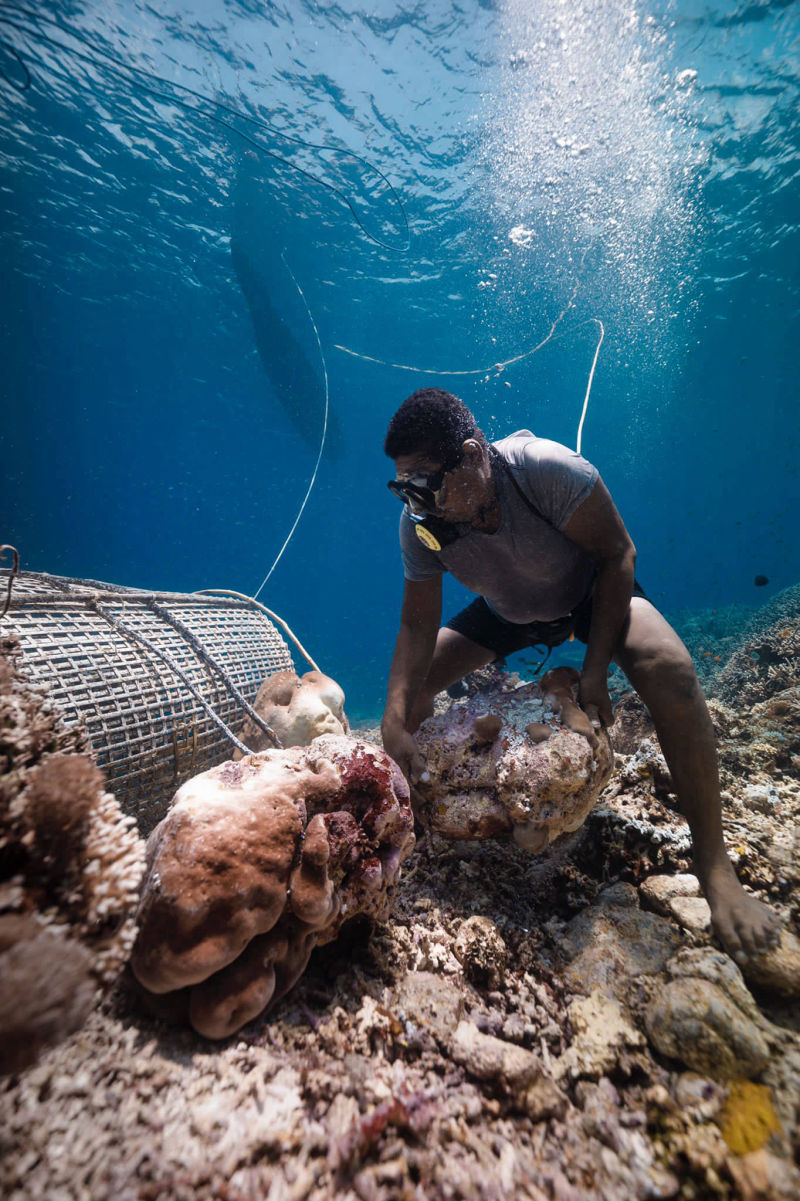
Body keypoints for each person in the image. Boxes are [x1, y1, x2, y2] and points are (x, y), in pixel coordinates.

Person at [380, 387, 780, 964]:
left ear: (471, 455)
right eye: (402, 488)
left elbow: (619, 554)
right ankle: (412, 830)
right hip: (507, 613)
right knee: (407, 696)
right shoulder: (422, 523)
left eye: (424, 482)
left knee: (669, 670)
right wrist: (393, 722)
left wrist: (594, 674)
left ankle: (716, 866)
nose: (415, 502)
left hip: (591, 596)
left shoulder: (547, 469)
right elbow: (417, 627)